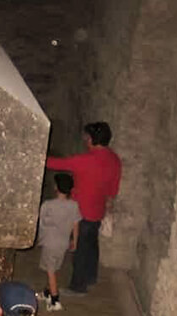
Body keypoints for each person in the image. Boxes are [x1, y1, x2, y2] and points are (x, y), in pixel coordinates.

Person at [45, 122, 121, 295]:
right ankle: (90, 277)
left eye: (87, 137)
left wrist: (36, 156)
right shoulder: (114, 159)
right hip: (98, 209)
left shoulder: (86, 160)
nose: (85, 140)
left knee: (79, 248)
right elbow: (113, 189)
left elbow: (57, 164)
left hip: (82, 210)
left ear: (93, 139)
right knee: (91, 245)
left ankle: (78, 286)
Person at [37, 173, 81, 311]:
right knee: (53, 268)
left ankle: (55, 300)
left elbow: (41, 222)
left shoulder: (48, 205)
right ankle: (47, 292)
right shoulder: (74, 206)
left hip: (50, 242)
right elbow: (76, 224)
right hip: (63, 243)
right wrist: (75, 240)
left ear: (56, 187)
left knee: (50, 270)